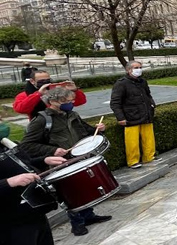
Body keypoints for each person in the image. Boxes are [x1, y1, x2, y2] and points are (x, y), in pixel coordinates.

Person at [20, 87, 112, 236]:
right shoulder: (42, 120)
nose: (71, 103)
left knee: (84, 188)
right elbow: (26, 145)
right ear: (53, 101)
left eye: (71, 100)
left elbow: (88, 132)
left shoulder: (72, 114)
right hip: (59, 162)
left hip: (78, 158)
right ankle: (77, 223)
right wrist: (51, 151)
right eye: (66, 101)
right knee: (71, 193)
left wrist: (100, 129)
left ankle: (88, 216)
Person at [110, 61, 157, 169]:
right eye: (136, 67)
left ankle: (149, 157)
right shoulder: (121, 83)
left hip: (146, 114)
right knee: (132, 141)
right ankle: (133, 161)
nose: (139, 69)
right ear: (128, 70)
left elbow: (148, 95)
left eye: (140, 67)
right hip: (131, 116)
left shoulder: (142, 81)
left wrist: (152, 105)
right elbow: (115, 102)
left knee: (149, 138)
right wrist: (120, 117)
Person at [14, 70, 87, 121]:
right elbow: (20, 109)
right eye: (41, 81)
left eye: (47, 80)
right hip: (42, 125)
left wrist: (74, 90)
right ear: (32, 81)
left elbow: (79, 102)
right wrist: (38, 94)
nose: (45, 83)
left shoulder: (57, 91)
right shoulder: (24, 95)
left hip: (63, 121)